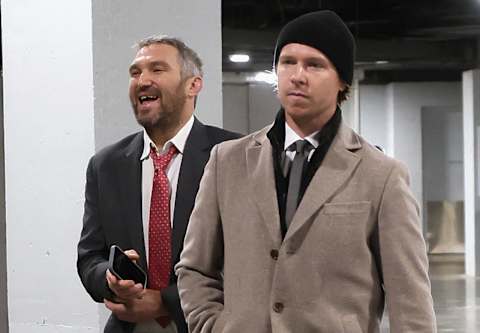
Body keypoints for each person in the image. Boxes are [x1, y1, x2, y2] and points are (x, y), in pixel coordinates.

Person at [176, 11, 437, 333]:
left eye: (314, 65)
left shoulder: (381, 175)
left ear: (342, 80)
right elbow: (195, 268)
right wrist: (213, 326)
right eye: (287, 62)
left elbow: (409, 297)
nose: (297, 75)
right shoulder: (227, 161)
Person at [77, 35, 240, 333]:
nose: (142, 80)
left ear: (194, 85)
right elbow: (90, 256)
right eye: (135, 72)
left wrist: (165, 301)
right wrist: (111, 281)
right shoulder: (106, 165)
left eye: (157, 69)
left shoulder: (235, 155)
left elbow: (248, 259)